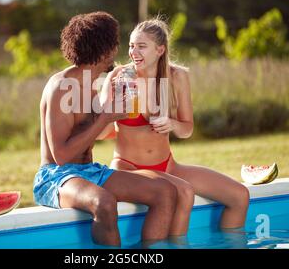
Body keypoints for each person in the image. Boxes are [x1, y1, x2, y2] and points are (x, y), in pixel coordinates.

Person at [33, 12, 183, 247]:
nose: (118, 49)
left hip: (90, 172)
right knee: (104, 203)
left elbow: (102, 129)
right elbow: (62, 156)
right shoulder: (62, 87)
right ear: (104, 50)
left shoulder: (94, 85)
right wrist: (104, 117)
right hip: (56, 177)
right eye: (115, 43)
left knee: (165, 192)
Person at [98, 18, 250, 236]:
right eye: (131, 46)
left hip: (168, 166)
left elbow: (187, 129)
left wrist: (171, 123)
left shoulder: (177, 76)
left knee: (240, 196)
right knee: (184, 191)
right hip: (128, 168)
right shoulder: (118, 77)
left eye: (141, 46)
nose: (133, 52)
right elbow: (102, 132)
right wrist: (111, 104)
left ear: (160, 49)